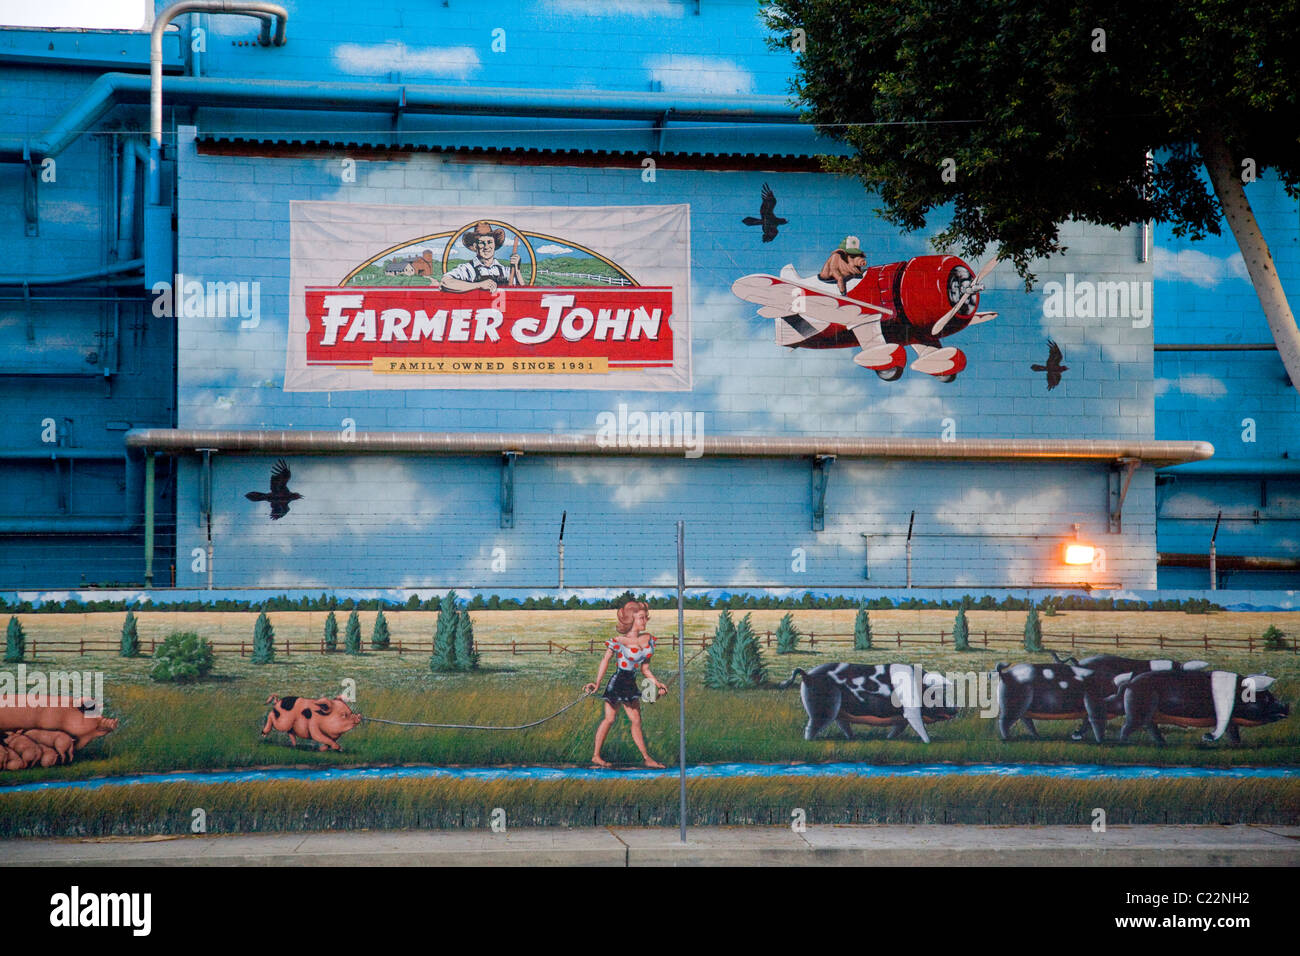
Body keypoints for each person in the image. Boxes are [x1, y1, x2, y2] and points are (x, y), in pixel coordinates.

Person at [582, 600, 668, 768]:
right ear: (631, 620)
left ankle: (647, 758)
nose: (645, 621)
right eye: (641, 618)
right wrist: (597, 684)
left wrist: (658, 685)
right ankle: (596, 756)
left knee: (636, 719)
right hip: (617, 682)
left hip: (631, 683)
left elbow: (645, 669)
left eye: (645, 618)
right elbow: (605, 661)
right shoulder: (618, 641)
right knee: (610, 718)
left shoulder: (648, 640)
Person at [439, 221, 523, 292]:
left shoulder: (504, 271)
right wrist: (478, 285)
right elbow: (445, 282)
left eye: (489, 242)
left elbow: (523, 292)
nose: (486, 247)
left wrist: (517, 270)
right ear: (475, 246)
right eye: (481, 242)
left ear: (494, 245)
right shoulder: (468, 269)